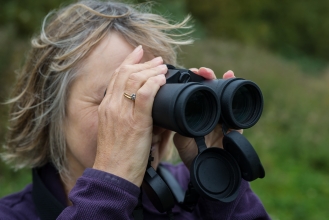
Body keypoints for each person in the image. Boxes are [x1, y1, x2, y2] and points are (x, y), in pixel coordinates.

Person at [0, 0, 270, 219]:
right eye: (116, 96)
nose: (143, 114)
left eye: (158, 94)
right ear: (51, 112)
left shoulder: (186, 193)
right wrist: (110, 183)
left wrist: (221, 187)